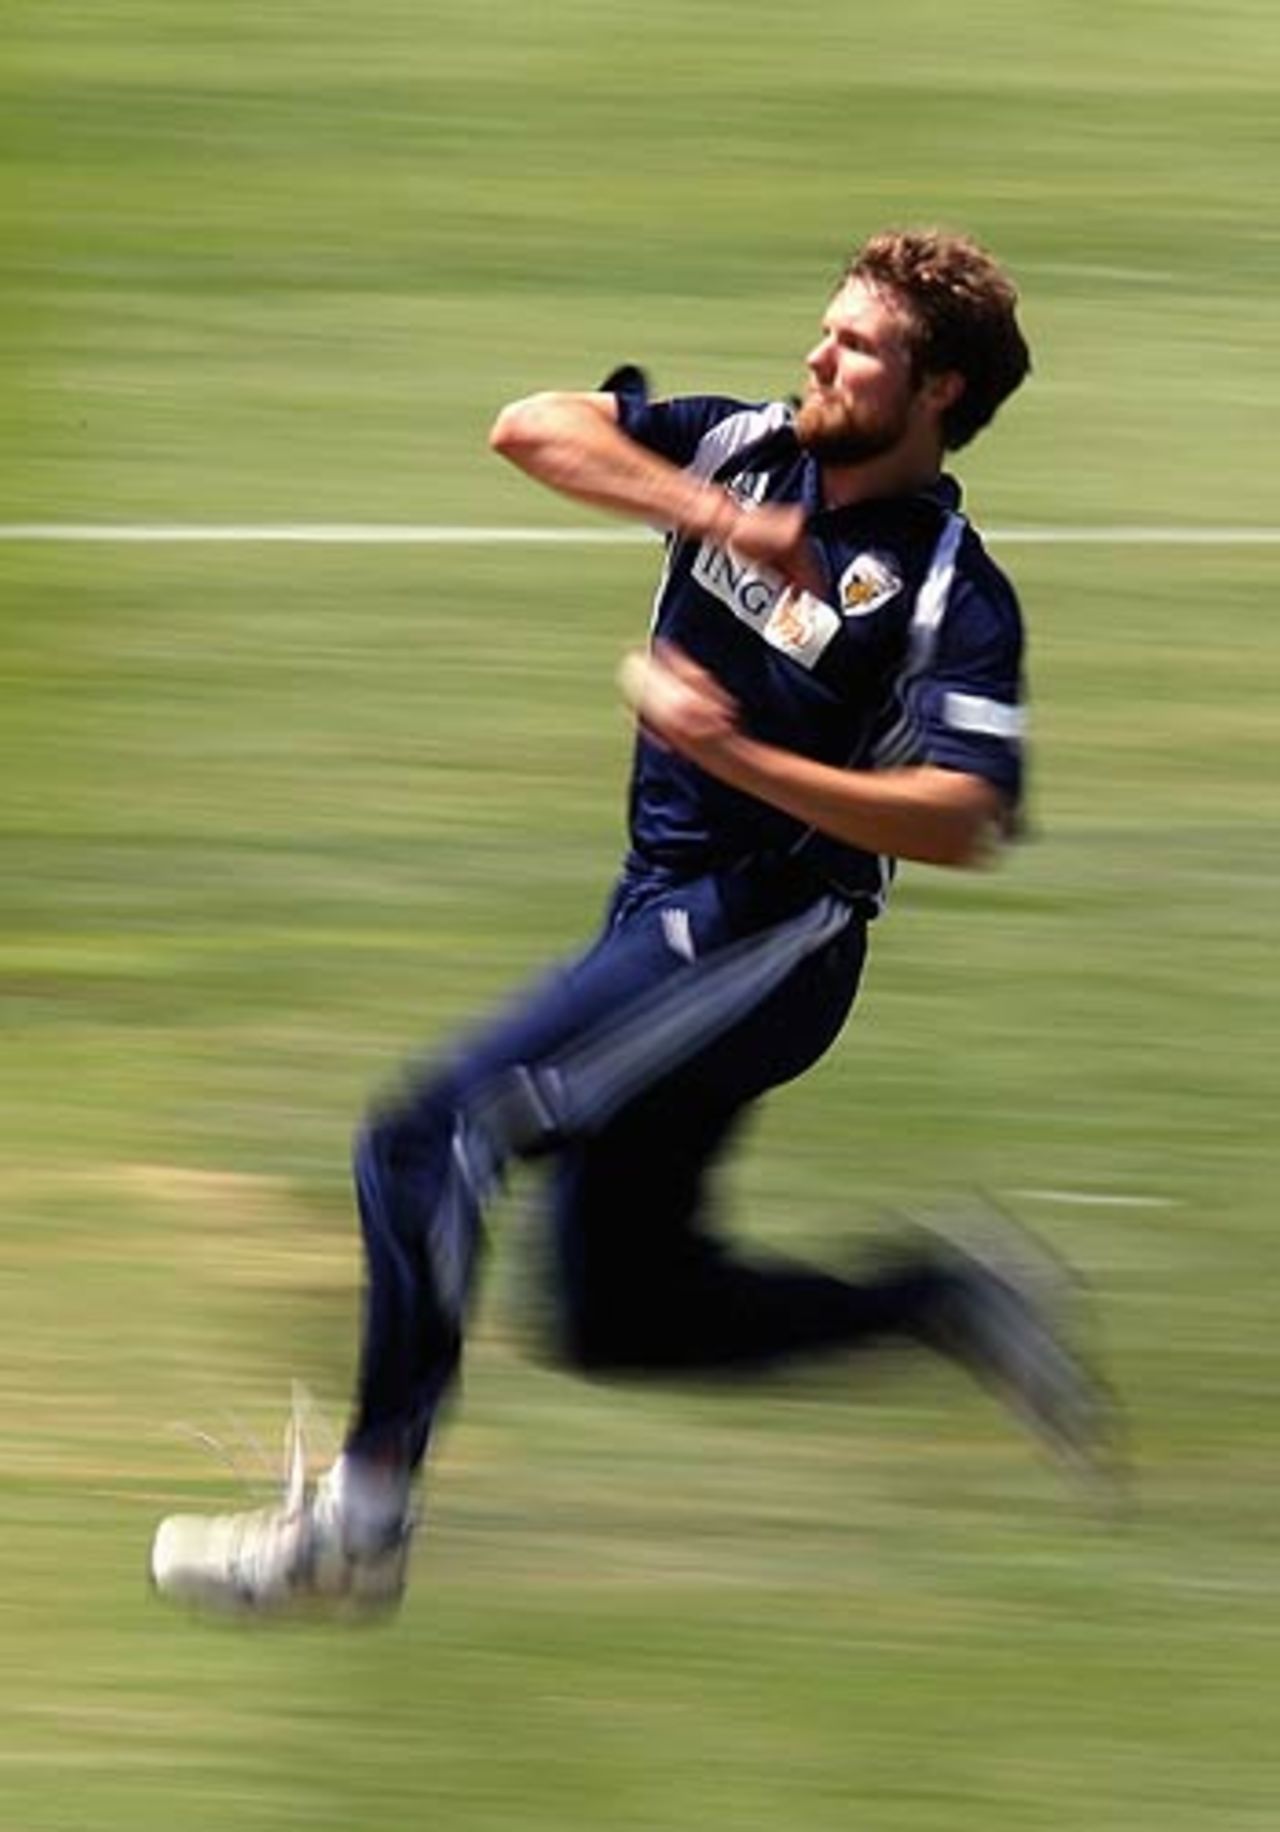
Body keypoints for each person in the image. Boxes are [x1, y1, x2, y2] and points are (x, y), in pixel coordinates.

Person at [151, 228, 1114, 1619]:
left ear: (940, 392)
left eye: (857, 346)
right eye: (827, 327)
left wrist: (737, 758)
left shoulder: (948, 592)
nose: (817, 355)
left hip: (768, 937)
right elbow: (531, 428)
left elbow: (969, 818)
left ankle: (361, 1526)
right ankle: (930, 1301)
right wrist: (724, 521)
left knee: (430, 1134)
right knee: (621, 1316)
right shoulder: (743, 450)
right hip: (657, 914)